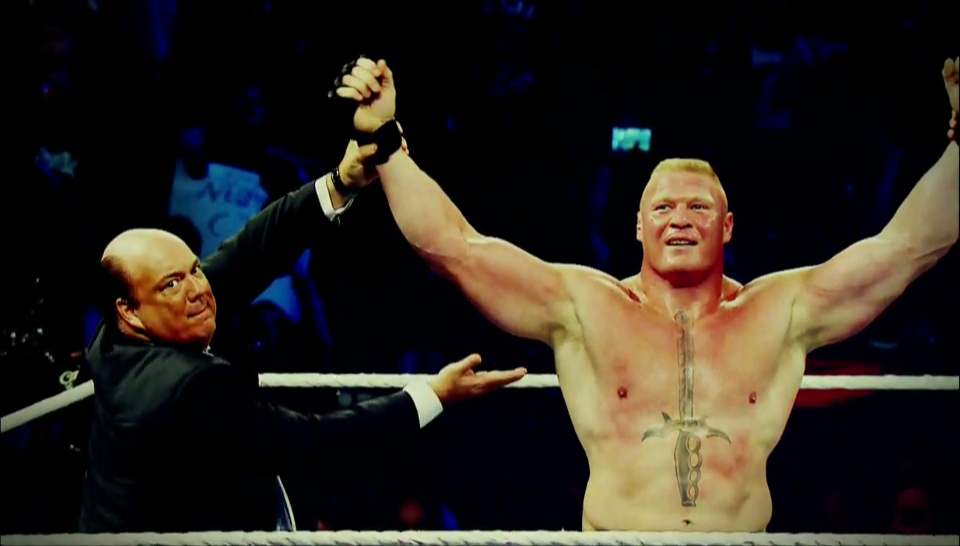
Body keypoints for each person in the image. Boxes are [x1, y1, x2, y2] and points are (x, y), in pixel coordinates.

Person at [331, 57, 959, 532]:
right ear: (638, 226)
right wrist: (384, 139)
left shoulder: (780, 311)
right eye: (662, 208)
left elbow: (906, 249)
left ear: (727, 227)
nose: (679, 219)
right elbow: (454, 248)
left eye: (698, 208)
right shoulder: (584, 306)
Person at [79, 138, 526, 533]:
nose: (197, 289)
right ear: (129, 310)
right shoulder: (189, 386)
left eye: (194, 269)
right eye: (172, 284)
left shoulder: (116, 335)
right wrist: (433, 396)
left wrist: (341, 182)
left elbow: (250, 253)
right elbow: (313, 445)